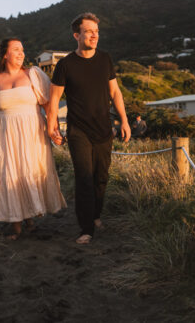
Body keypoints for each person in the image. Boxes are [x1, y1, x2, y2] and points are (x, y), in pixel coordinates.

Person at [46, 13, 131, 245]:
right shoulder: (65, 65)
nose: (94, 35)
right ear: (77, 35)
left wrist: (124, 120)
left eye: (96, 31)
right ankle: (86, 228)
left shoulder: (105, 59)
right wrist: (52, 126)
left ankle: (95, 216)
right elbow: (54, 100)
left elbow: (115, 92)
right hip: (78, 131)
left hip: (104, 129)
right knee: (84, 178)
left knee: (101, 177)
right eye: (89, 31)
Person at [0, 38, 66, 240]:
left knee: (28, 172)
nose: (21, 53)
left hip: (32, 133)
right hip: (4, 135)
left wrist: (54, 130)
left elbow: (48, 104)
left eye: (23, 50)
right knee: (10, 174)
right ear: (5, 54)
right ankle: (16, 223)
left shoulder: (33, 74)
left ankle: (30, 219)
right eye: (16, 49)